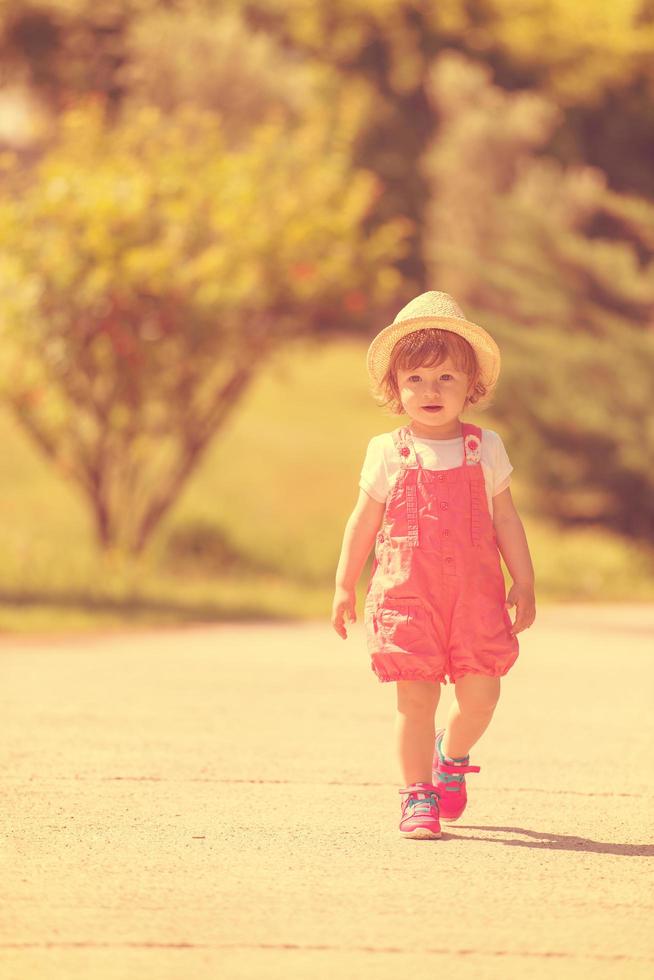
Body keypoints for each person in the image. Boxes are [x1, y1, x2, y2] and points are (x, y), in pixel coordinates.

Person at [331, 291, 536, 840]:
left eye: (446, 378)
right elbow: (363, 522)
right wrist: (344, 583)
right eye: (416, 379)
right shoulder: (386, 450)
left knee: (481, 697)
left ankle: (453, 754)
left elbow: (507, 521)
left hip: (475, 597)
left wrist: (525, 579)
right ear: (395, 388)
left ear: (472, 386)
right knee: (415, 698)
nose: (430, 390)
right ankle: (416, 795)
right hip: (408, 596)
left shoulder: (485, 448)